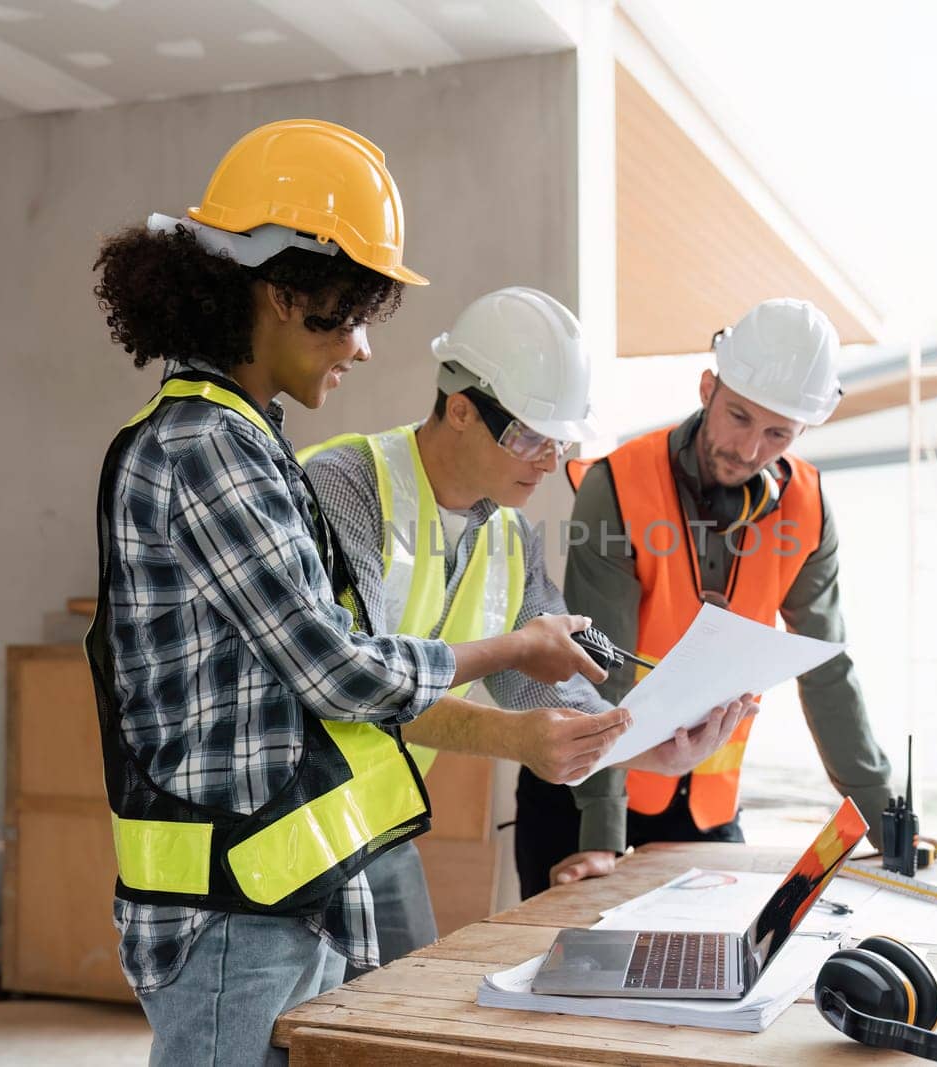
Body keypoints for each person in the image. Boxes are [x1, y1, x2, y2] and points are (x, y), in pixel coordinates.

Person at [84, 119, 614, 1066]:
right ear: (286, 294)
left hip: (288, 886)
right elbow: (337, 668)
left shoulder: (248, 441)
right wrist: (511, 650)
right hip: (225, 911)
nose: (364, 348)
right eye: (353, 314)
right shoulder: (206, 448)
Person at [301, 285, 755, 964]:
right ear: (460, 409)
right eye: (531, 436)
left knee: (401, 1024)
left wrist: (648, 745)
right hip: (287, 818)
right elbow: (360, 685)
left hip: (376, 822)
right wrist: (515, 736)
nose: (549, 461)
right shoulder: (347, 485)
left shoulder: (510, 536)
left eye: (560, 441)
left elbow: (549, 691)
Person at [515, 298, 895, 898]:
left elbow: (826, 669)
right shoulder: (617, 488)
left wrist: (884, 815)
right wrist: (601, 834)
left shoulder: (808, 510)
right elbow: (599, 666)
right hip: (588, 793)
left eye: (777, 433)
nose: (748, 450)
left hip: (705, 809)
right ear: (707, 387)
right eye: (739, 417)